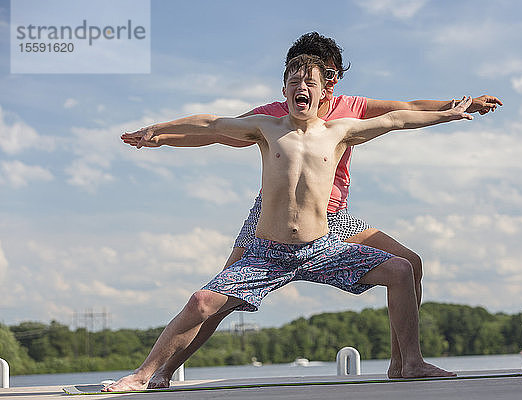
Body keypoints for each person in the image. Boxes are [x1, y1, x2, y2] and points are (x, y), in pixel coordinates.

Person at [121, 32, 502, 388]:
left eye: (323, 77)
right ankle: (160, 370)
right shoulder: (272, 118)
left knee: (407, 265)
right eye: (297, 78)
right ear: (286, 83)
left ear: (330, 80)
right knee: (214, 298)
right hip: (270, 218)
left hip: (332, 221)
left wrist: (455, 107)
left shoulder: (347, 115)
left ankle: (405, 363)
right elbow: (215, 129)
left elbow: (402, 113)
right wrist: (162, 135)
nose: (309, 86)